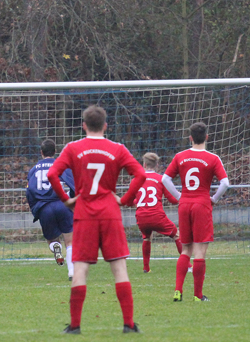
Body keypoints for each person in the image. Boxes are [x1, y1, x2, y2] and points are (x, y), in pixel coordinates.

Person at [47, 105, 146, 335]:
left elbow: (53, 174)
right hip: (110, 213)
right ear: (105, 125)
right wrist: (125, 200)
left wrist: (66, 200)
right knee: (119, 268)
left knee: (80, 269)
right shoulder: (118, 149)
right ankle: (129, 325)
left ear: (83, 125)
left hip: (84, 214)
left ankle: (75, 326)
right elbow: (140, 174)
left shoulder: (73, 148)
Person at [162, 122, 229, 302]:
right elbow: (225, 183)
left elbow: (165, 179)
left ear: (190, 138)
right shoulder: (213, 158)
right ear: (207, 137)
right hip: (201, 204)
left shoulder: (180, 156)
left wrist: (178, 196)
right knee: (200, 251)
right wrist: (213, 199)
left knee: (186, 249)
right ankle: (198, 296)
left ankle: (178, 290)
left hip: (184, 204)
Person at [26, 139, 76, 280]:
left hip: (44, 208)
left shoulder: (33, 170)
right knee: (70, 242)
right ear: (55, 152)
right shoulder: (61, 165)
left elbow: (29, 193)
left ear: (41, 152)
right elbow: (73, 185)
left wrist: (36, 209)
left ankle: (55, 246)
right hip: (62, 205)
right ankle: (71, 271)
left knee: (51, 239)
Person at [134, 152, 184, 274]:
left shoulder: (136, 179)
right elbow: (172, 200)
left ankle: (146, 268)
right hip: (156, 216)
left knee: (147, 238)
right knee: (177, 235)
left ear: (144, 164)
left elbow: (133, 200)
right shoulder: (161, 179)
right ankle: (187, 265)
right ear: (156, 165)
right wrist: (182, 198)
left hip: (141, 217)